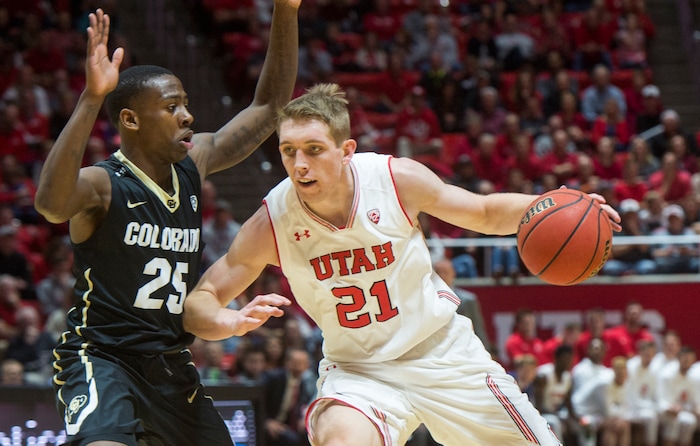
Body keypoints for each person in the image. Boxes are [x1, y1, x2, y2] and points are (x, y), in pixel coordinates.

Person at [183, 82, 622, 446]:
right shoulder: (272, 221)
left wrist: (554, 206)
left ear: (346, 149)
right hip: (359, 370)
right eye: (288, 151)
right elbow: (200, 300)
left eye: (313, 149)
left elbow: (484, 211)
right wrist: (227, 322)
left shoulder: (395, 180)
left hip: (442, 352)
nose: (299, 164)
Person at [32, 4, 300, 445]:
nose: (187, 116)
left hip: (170, 361)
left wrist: (286, 11)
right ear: (131, 119)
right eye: (171, 106)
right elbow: (50, 204)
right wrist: (91, 98)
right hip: (103, 358)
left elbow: (269, 106)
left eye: (187, 105)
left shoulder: (194, 164)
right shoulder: (103, 184)